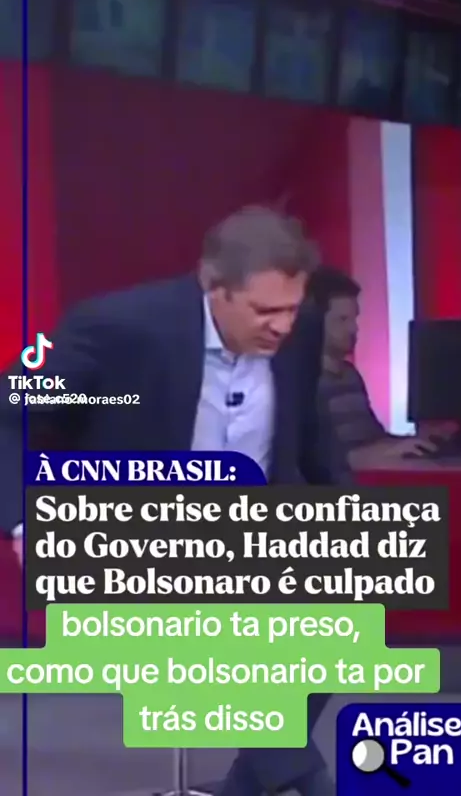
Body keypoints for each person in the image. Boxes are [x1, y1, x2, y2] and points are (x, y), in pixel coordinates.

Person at [0, 206, 340, 795]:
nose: (282, 326)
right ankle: (303, 774)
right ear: (214, 287)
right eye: (264, 310)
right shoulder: (117, 328)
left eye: (291, 308)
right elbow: (8, 417)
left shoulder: (300, 331)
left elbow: (308, 431)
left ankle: (252, 782)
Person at [306, 266, 453, 469]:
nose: (353, 328)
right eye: (342, 320)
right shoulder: (302, 382)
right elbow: (316, 459)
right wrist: (373, 454)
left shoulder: (350, 375)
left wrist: (418, 439)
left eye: (355, 318)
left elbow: (375, 440)